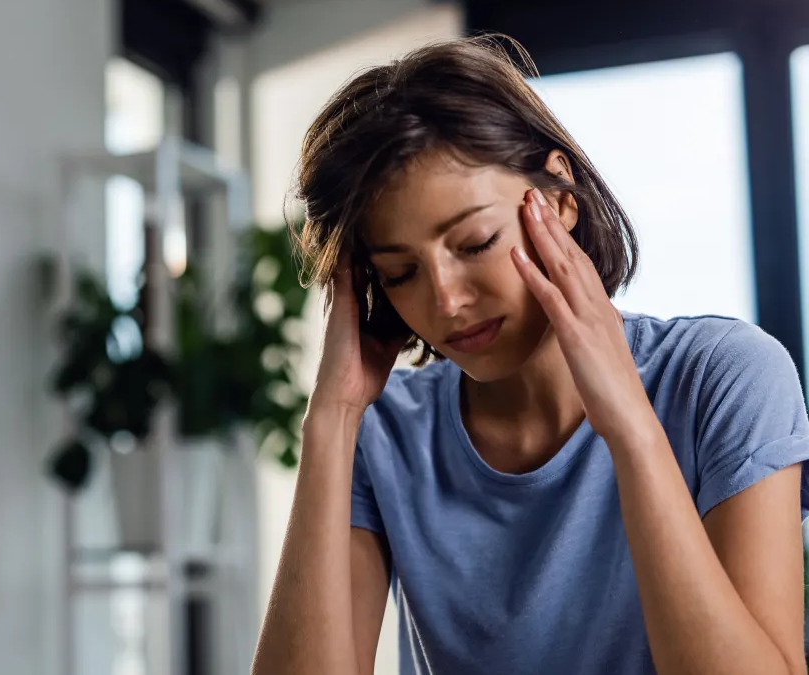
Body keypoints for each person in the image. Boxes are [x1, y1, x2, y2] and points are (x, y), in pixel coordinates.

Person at [251, 35, 809, 675]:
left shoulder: (725, 377)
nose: (446, 300)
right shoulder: (387, 432)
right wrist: (331, 420)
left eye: (475, 242)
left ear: (560, 199)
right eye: (401, 272)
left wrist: (630, 425)